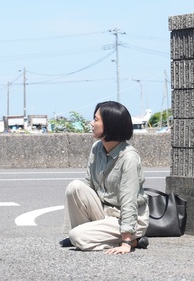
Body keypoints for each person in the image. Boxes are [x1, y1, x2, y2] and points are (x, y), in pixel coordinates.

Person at [60, 101, 149, 254]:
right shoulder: (97, 148)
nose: (91, 123)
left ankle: (134, 240)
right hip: (104, 211)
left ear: (110, 125)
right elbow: (88, 187)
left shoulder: (129, 158)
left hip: (124, 218)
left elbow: (129, 202)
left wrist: (127, 242)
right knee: (75, 187)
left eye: (96, 119)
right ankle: (87, 233)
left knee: (77, 237)